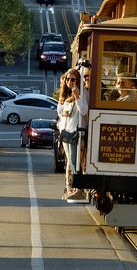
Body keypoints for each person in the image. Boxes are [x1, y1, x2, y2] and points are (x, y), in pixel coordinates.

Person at [57, 66, 89, 202]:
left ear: (78, 80)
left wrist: (77, 96)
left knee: (76, 162)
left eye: (73, 79)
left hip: (76, 132)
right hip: (65, 132)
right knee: (70, 162)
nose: (70, 82)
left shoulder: (82, 93)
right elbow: (60, 112)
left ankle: (79, 189)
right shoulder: (64, 94)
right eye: (68, 79)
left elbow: (84, 111)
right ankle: (71, 187)